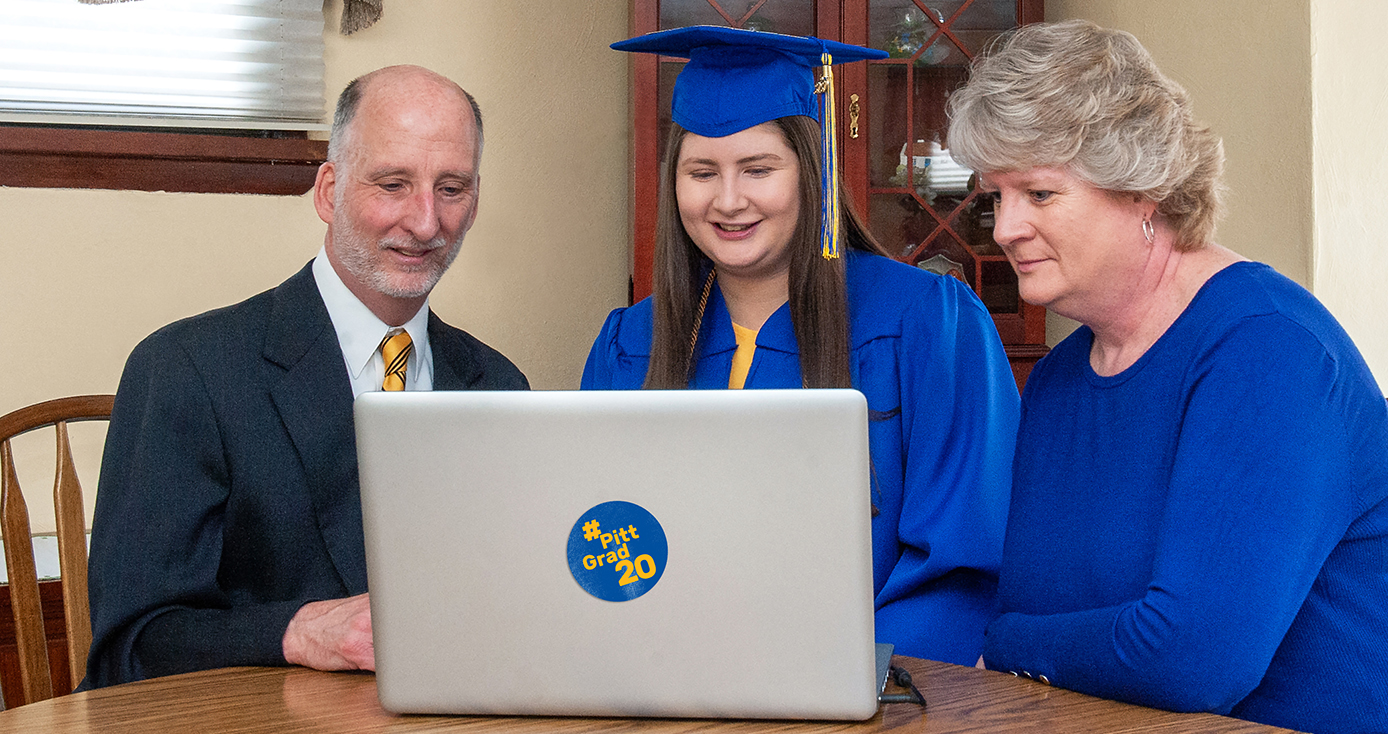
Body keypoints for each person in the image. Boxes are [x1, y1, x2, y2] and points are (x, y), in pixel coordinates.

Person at [946, 20, 1388, 732]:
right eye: (996, 196)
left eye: (1038, 193)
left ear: (1141, 189)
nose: (1004, 228)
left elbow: (1193, 659)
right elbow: (1036, 602)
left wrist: (1005, 647)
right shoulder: (1061, 376)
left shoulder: (1268, 351)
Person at [583, 27, 1020, 665]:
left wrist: (832, 682)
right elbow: (604, 543)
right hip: (664, 689)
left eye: (758, 169)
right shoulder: (632, 344)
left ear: (813, 173)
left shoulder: (925, 323)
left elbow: (963, 565)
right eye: (701, 171)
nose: (728, 201)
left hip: (877, 697)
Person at [83, 65, 529, 688]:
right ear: (328, 191)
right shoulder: (185, 370)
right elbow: (129, 647)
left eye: (451, 188)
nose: (426, 223)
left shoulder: (499, 387)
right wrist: (295, 631)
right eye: (393, 184)